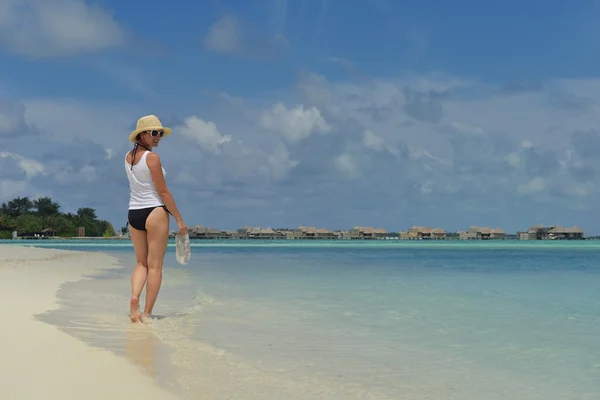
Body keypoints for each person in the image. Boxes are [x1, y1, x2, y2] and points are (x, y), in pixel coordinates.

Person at [124, 114, 188, 323]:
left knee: (141, 263)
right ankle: (147, 313)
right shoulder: (152, 158)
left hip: (134, 212)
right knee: (155, 266)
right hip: (155, 211)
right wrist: (179, 220)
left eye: (160, 133)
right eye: (153, 133)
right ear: (141, 135)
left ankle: (135, 297)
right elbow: (163, 192)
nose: (158, 137)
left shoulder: (128, 157)